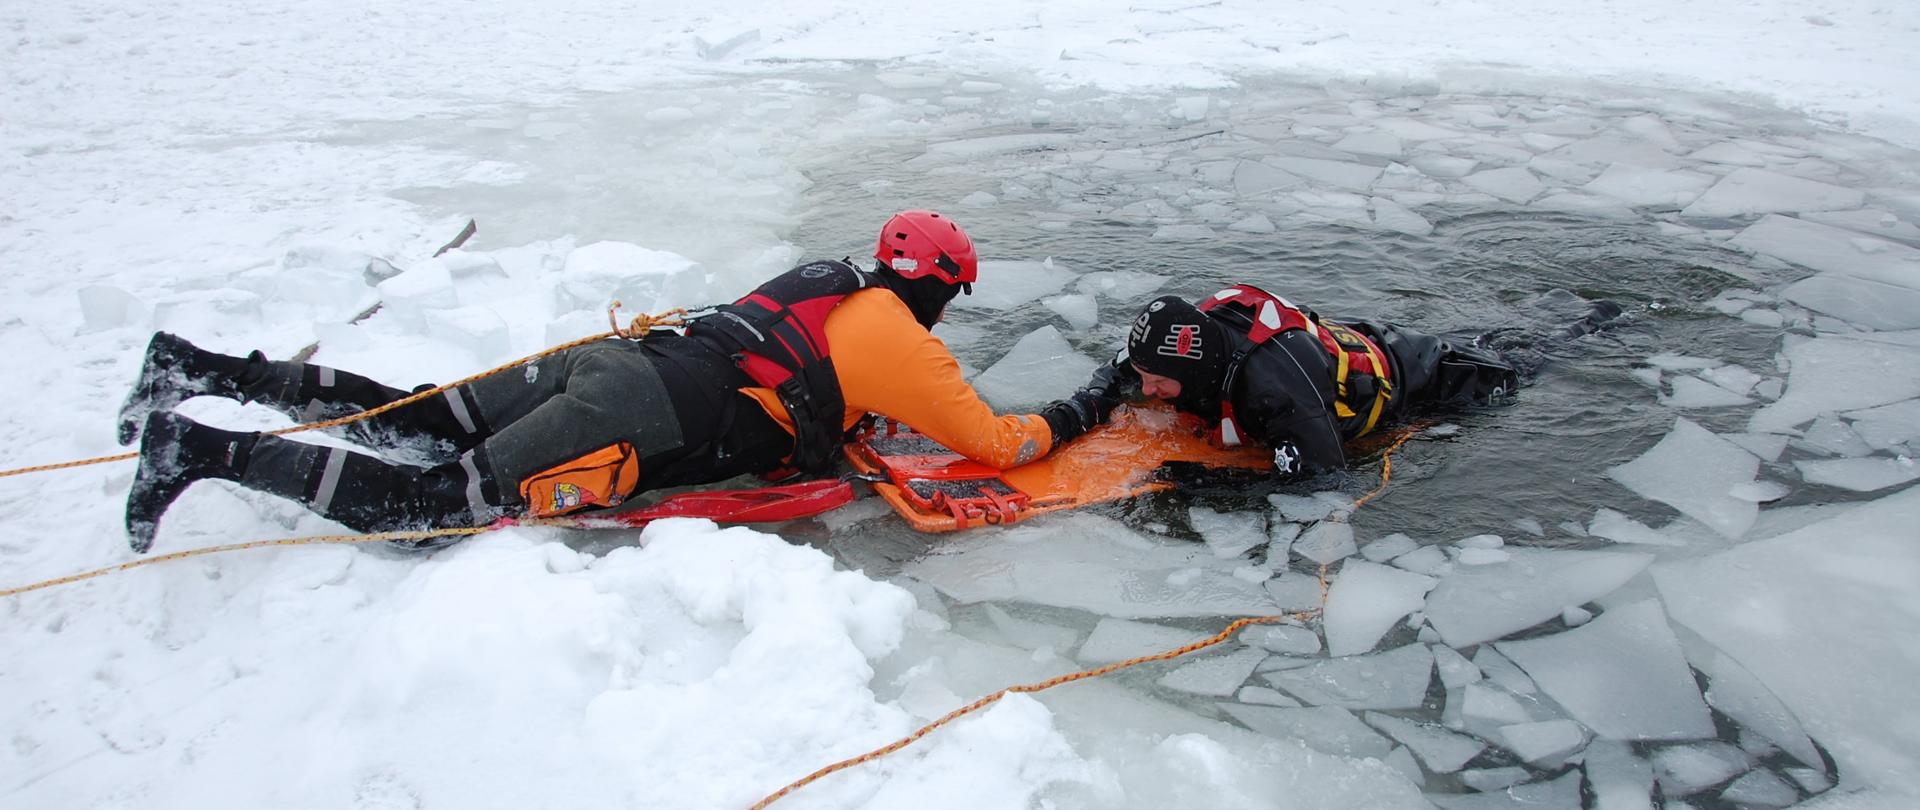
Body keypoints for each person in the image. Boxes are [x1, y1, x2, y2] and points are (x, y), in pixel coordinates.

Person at [119, 211, 1112, 552]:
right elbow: (996, 444)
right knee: (430, 507)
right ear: (937, 286)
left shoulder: (825, 282)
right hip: (641, 414)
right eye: (954, 294)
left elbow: (802, 369)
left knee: (416, 419)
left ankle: (191, 368)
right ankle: (194, 448)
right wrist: (1084, 407)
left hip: (623, 361)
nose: (948, 311)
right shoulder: (908, 344)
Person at [1071, 284, 1538, 479]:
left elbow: (1323, 476)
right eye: (1144, 378)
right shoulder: (1174, 349)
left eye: (1156, 383)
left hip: (1439, 381)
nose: (1146, 391)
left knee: (1534, 357)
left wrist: (1201, 479)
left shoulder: (1274, 386)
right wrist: (1070, 415)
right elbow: (1114, 375)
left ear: (1190, 374)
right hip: (1364, 343)